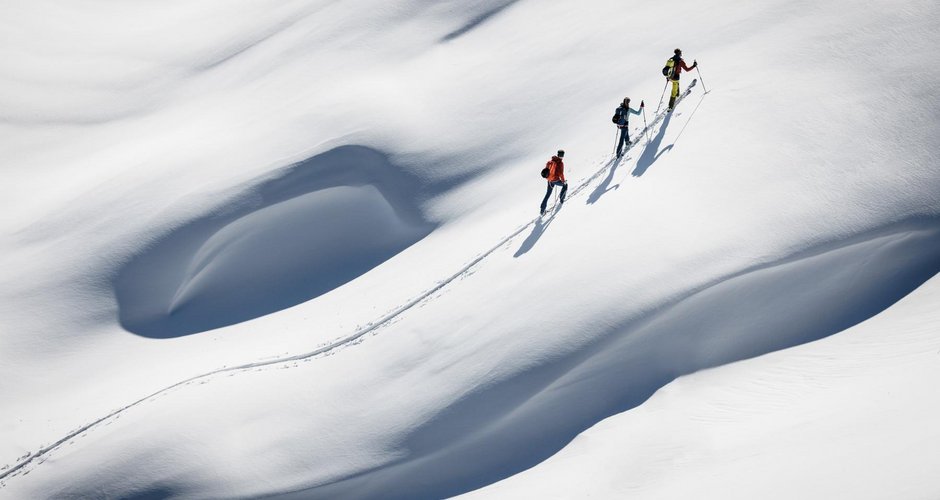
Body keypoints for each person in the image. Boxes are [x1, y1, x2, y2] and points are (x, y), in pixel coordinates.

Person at [540, 150, 568, 215]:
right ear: (562, 156)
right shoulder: (560, 163)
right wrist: (563, 181)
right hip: (555, 180)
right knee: (565, 185)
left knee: (547, 194)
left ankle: (542, 210)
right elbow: (561, 174)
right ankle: (561, 200)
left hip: (549, 180)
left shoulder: (552, 160)